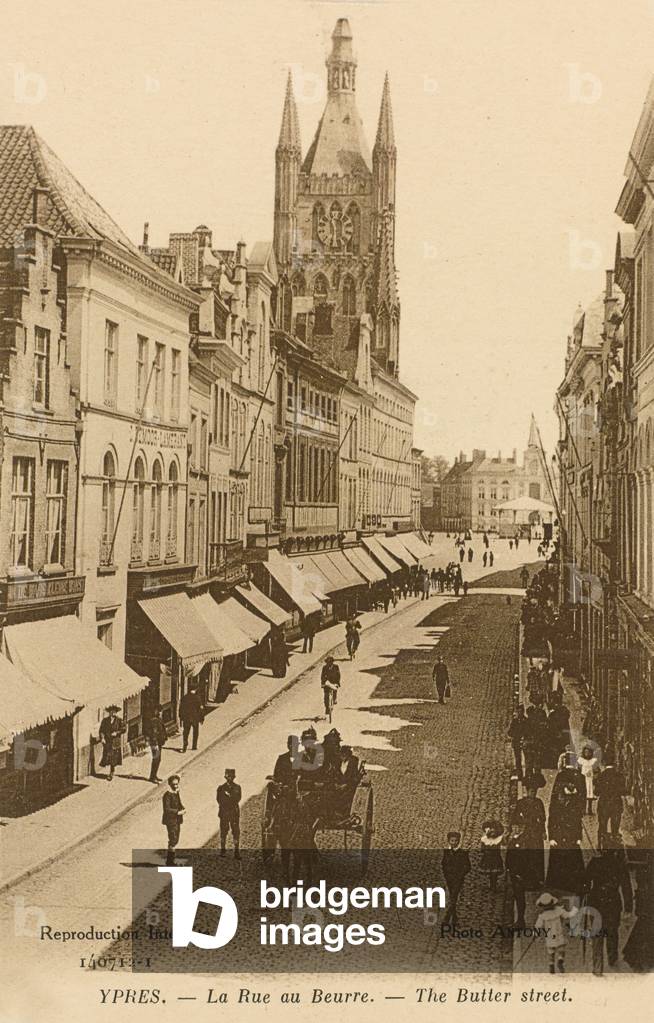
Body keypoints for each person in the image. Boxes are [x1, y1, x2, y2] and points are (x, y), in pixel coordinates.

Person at [584, 839, 633, 976]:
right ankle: (612, 959)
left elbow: (585, 882)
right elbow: (626, 887)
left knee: (597, 935)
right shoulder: (619, 865)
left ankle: (597, 967)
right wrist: (628, 908)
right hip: (613, 902)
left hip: (596, 902)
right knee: (612, 932)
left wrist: (584, 895)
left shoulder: (594, 862)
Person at [535, 892, 578, 974]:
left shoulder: (543, 915)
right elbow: (568, 915)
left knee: (551, 951)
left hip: (550, 936)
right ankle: (560, 959)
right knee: (561, 948)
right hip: (559, 934)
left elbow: (538, 926)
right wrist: (575, 910)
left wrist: (536, 934)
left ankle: (551, 964)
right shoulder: (558, 910)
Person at [441, 831, 471, 928]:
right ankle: (454, 918)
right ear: (449, 841)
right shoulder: (446, 852)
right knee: (453, 898)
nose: (454, 843)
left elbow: (467, 866)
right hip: (449, 879)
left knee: (453, 897)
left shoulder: (463, 853)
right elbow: (443, 864)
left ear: (458, 842)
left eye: (456, 841)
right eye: (452, 841)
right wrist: (446, 874)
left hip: (458, 879)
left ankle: (446, 917)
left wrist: (461, 875)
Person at [596, 759, 627, 846]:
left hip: (604, 804)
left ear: (605, 764)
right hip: (616, 804)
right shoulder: (619, 775)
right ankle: (614, 846)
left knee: (602, 826)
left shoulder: (601, 775)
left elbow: (596, 792)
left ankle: (602, 845)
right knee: (615, 828)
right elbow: (624, 791)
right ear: (615, 764)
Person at [216, 768, 242, 859]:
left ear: (234, 777)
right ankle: (223, 850)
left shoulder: (237, 787)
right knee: (223, 831)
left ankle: (236, 851)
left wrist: (229, 797)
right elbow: (219, 800)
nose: (229, 778)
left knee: (236, 831)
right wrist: (229, 799)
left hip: (234, 813)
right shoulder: (221, 788)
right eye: (228, 776)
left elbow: (237, 799)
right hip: (224, 812)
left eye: (231, 776)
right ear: (225, 777)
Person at [162, 774, 184, 866]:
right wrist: (177, 812)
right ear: (170, 784)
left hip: (177, 820)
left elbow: (179, 803)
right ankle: (170, 861)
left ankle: (170, 860)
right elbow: (166, 809)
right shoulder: (167, 795)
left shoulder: (176, 792)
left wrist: (183, 808)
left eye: (177, 784)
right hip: (170, 821)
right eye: (174, 784)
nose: (175, 786)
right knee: (173, 839)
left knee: (175, 839)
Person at [98, 704, 125, 781]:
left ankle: (111, 772)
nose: (113, 713)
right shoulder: (105, 721)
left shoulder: (119, 720)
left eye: (114, 712)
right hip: (108, 741)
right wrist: (102, 738)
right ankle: (111, 770)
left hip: (115, 742)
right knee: (108, 757)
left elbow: (123, 729)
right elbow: (101, 730)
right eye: (111, 711)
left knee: (113, 758)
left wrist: (117, 733)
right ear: (109, 712)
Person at [144, 705, 167, 784]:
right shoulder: (154, 720)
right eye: (159, 711)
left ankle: (154, 775)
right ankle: (152, 777)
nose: (160, 713)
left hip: (158, 742)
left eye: (161, 711)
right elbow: (153, 734)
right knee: (156, 759)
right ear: (156, 711)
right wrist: (156, 744)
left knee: (158, 759)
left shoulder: (158, 719)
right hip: (155, 743)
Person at [179, 682, 204, 753]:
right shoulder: (197, 698)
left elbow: (181, 708)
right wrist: (201, 718)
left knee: (186, 732)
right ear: (195, 689)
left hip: (186, 718)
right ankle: (194, 746)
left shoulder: (184, 698)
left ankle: (184, 746)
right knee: (195, 732)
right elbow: (200, 709)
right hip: (195, 718)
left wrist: (181, 717)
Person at [479, 821, 504, 891]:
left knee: (494, 872)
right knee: (490, 871)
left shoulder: (498, 839)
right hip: (487, 857)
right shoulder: (484, 839)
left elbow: (503, 844)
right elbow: (482, 849)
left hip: (495, 858)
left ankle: (493, 884)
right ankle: (492, 882)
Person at [578, 745, 599, 815]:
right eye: (585, 752)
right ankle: (582, 810)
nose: (587, 754)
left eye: (588, 752)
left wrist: (593, 773)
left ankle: (589, 809)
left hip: (590, 779)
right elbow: (578, 769)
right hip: (582, 779)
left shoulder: (593, 761)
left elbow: (597, 771)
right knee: (583, 794)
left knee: (590, 794)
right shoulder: (581, 760)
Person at [508, 704, 527, 779]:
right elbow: (509, 732)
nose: (519, 714)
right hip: (516, 742)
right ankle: (520, 775)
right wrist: (515, 735)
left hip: (524, 742)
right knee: (518, 759)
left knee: (526, 759)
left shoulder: (526, 721)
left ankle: (526, 775)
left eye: (521, 712)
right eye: (518, 712)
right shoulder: (515, 721)